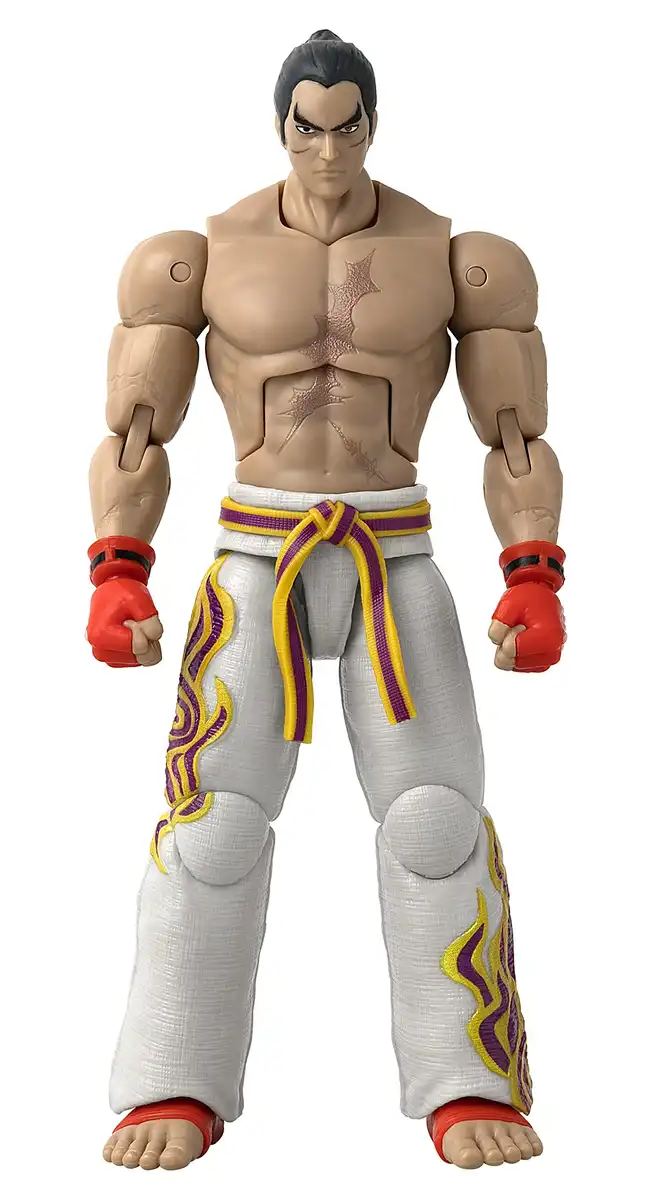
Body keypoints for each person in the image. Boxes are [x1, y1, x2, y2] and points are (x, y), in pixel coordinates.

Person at [88, 29, 565, 1172]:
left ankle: (465, 1080)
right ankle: (172, 1080)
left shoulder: (461, 259)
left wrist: (532, 570)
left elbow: (514, 436)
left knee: (436, 820)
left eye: (348, 127)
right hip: (256, 552)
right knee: (210, 822)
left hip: (394, 552)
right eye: (309, 128)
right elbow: (137, 432)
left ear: (373, 125)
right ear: (280, 128)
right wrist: (117, 566)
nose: (329, 151)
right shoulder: (192, 258)